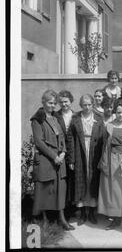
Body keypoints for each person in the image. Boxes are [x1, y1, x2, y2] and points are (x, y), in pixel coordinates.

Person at [30, 89, 74, 230]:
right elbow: (39, 142)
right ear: (43, 102)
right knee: (44, 190)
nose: (52, 105)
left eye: (54, 103)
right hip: (45, 159)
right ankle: (44, 219)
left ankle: (61, 218)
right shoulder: (37, 119)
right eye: (50, 103)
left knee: (60, 189)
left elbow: (61, 137)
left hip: (58, 160)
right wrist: (54, 156)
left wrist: (63, 153)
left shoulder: (55, 118)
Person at [98, 99, 122, 230]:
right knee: (113, 190)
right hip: (110, 159)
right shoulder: (108, 126)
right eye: (118, 112)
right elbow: (104, 144)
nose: (120, 115)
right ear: (115, 112)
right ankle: (114, 217)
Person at [68, 94, 104, 225]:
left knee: (92, 179)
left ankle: (92, 212)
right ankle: (82, 213)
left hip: (94, 151)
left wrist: (102, 158)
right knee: (81, 178)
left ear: (93, 104)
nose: (87, 107)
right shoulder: (76, 118)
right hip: (80, 149)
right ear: (80, 105)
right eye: (84, 105)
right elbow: (70, 138)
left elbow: (103, 138)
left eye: (89, 104)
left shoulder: (99, 118)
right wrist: (71, 159)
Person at [54, 90, 76, 215]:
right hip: (60, 150)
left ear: (71, 101)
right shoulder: (55, 115)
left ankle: (72, 207)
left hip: (73, 150)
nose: (64, 104)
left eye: (66, 101)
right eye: (61, 102)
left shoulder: (76, 115)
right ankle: (63, 208)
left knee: (73, 178)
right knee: (62, 179)